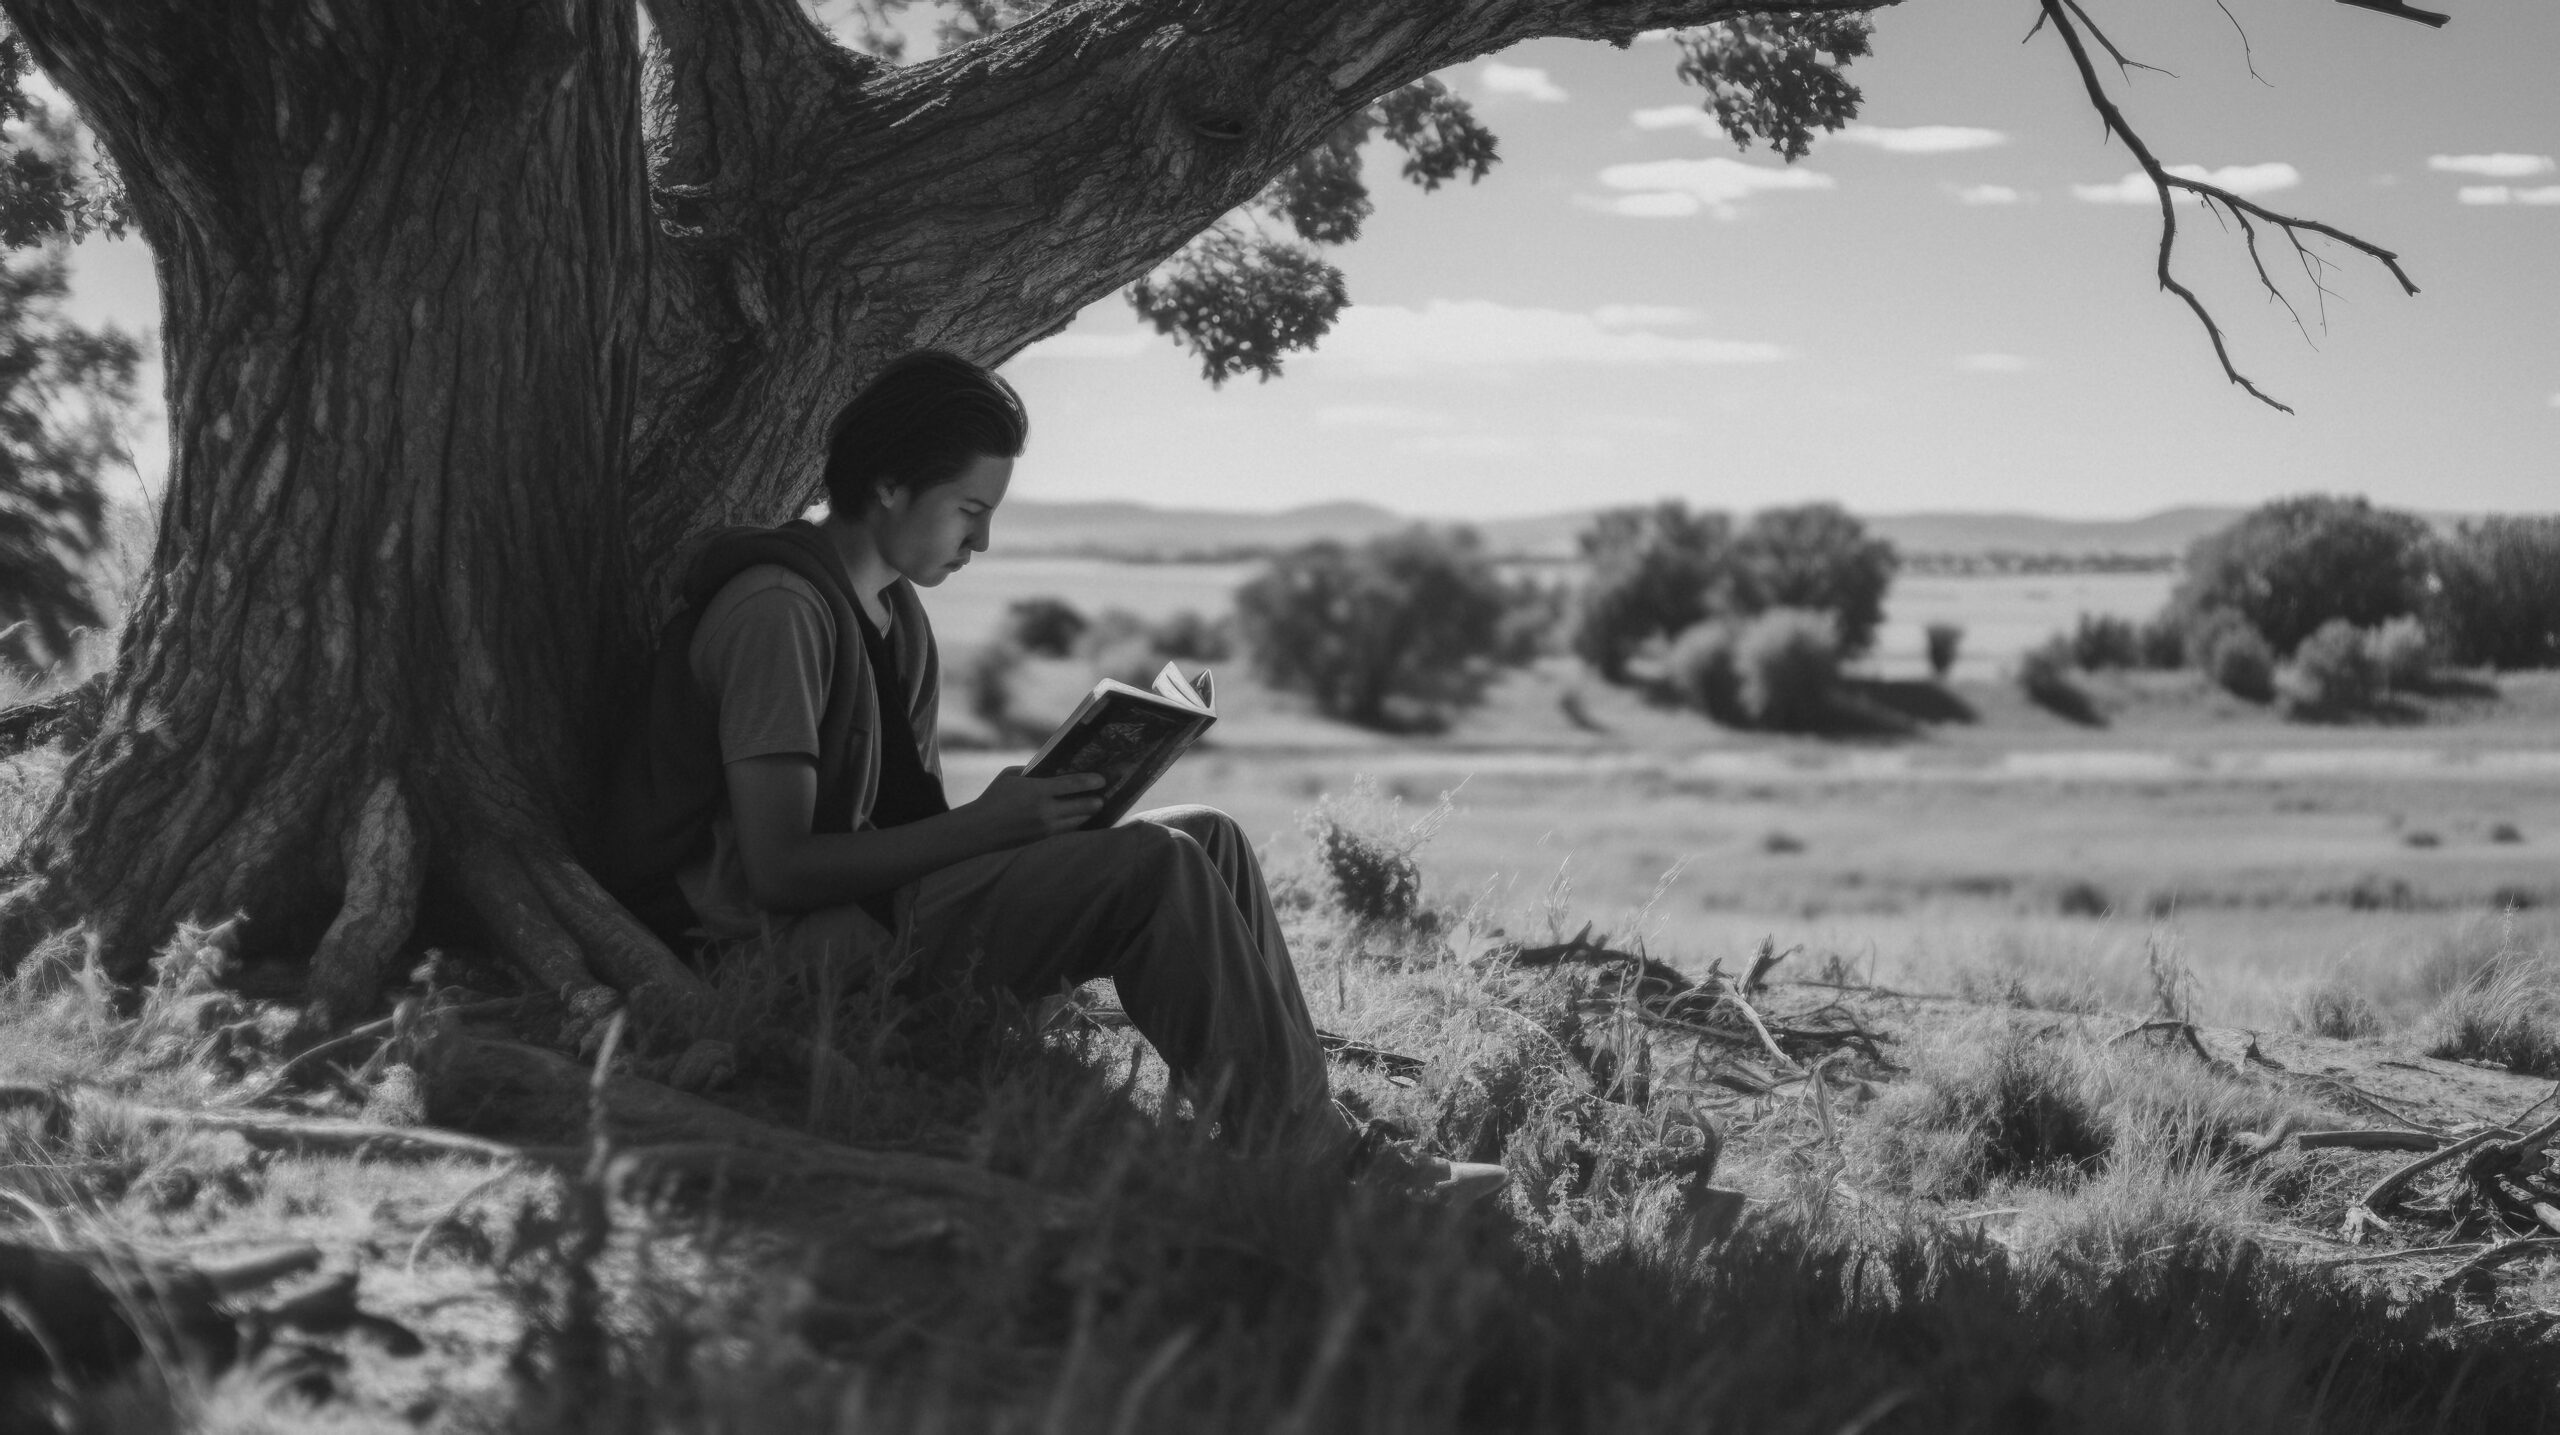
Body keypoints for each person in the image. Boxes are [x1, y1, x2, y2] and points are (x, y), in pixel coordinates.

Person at [609, 350, 1504, 1202]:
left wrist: (1048, 808)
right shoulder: (778, 614)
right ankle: (1320, 1166)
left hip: (871, 914)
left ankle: (1302, 1118)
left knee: (1208, 837)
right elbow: (777, 870)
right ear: (887, 484)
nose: (985, 540)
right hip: (772, 955)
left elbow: (892, 824)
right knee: (1156, 866)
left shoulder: (895, 618)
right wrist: (988, 828)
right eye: (968, 509)